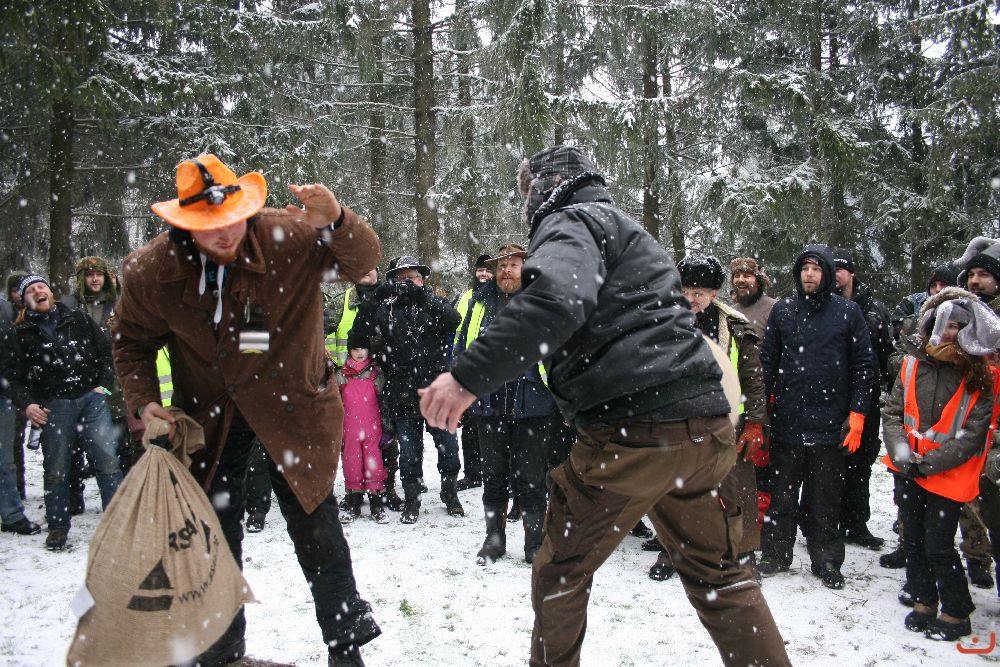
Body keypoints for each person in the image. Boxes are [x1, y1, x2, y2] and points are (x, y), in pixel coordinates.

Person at [419, 145, 789, 667]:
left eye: (528, 192)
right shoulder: (634, 235)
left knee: (561, 572)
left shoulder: (569, 222)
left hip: (631, 433)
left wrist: (466, 378)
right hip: (702, 428)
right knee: (720, 576)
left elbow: (555, 301)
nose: (526, 205)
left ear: (545, 188)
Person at [112, 154, 381, 666]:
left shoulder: (288, 236)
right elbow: (130, 341)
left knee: (317, 526)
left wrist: (338, 219)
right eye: (208, 224)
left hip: (294, 406)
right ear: (184, 223)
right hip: (210, 414)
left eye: (233, 218)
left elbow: (362, 261)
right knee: (213, 531)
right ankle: (221, 647)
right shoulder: (152, 272)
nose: (224, 232)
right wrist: (146, 402)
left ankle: (345, 645)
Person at [883, 288, 1000, 641]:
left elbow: (972, 434)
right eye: (943, 324)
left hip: (947, 475)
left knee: (938, 543)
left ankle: (956, 610)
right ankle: (924, 601)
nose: (948, 332)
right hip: (908, 469)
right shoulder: (911, 364)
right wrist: (904, 456)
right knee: (914, 540)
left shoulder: (980, 375)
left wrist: (927, 464)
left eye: (956, 326)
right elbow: (893, 413)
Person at [758, 244, 874, 589]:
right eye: (804, 269)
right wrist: (760, 413)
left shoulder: (847, 312)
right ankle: (775, 554)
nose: (809, 274)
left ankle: (826, 560)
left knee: (825, 500)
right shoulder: (783, 310)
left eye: (816, 269)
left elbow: (863, 366)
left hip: (830, 424)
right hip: (788, 422)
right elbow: (766, 364)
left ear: (827, 274)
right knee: (781, 497)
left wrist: (857, 413)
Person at [646, 255, 765, 581]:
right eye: (685, 291)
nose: (691, 298)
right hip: (677, 423)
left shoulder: (736, 326)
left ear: (714, 293)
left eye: (699, 292)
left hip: (727, 423)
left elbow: (753, 379)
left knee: (735, 491)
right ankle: (672, 551)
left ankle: (742, 554)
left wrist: (755, 423)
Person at [454, 243, 554, 565]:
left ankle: (535, 543)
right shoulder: (479, 304)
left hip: (534, 406)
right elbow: (462, 349)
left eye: (513, 265)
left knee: (531, 479)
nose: (506, 271)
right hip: (490, 406)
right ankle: (494, 539)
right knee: (494, 476)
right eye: (502, 266)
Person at [7, 274, 123, 551]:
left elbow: (105, 351)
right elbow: (12, 377)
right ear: (23, 300)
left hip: (91, 399)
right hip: (54, 405)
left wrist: (104, 386)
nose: (38, 291)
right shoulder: (20, 333)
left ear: (50, 292)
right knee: (57, 468)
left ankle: (119, 523)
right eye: (31, 290)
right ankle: (58, 527)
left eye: (42, 287)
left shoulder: (77, 318)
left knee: (108, 462)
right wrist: (28, 404)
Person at [351, 255, 464, 524]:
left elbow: (454, 320)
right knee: (410, 451)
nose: (407, 283)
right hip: (402, 390)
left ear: (422, 280)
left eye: (412, 278)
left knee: (448, 447)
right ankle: (412, 499)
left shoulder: (434, 304)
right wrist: (378, 296)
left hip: (436, 389)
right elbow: (359, 333)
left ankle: (450, 493)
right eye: (401, 279)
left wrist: (422, 297)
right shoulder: (386, 310)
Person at [832, 248, 894, 550]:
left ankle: (856, 523)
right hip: (831, 395)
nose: (835, 274)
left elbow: (885, 353)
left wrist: (889, 388)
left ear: (851, 273)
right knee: (829, 464)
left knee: (861, 462)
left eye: (840, 269)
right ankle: (826, 522)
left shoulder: (874, 309)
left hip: (866, 395)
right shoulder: (822, 305)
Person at [336, 333, 388, 524]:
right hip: (349, 429)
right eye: (355, 349)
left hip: (372, 428)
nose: (359, 353)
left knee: (374, 463)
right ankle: (354, 503)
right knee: (352, 463)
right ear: (349, 351)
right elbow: (335, 402)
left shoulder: (376, 372)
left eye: (363, 349)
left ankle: (376, 504)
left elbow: (383, 400)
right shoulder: (342, 374)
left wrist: (387, 426)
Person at [453, 253, 494, 492]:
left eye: (488, 270)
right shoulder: (467, 297)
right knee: (469, 426)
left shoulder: (500, 297)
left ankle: (497, 473)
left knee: (494, 426)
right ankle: (472, 473)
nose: (484, 274)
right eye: (480, 270)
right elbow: (459, 334)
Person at [0, 318, 40, 536]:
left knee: (5, 461)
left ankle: (12, 514)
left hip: (3, 395)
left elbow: (12, 361)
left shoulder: (3, 318)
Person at [892, 263, 959, 339]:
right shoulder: (913, 302)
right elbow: (895, 329)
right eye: (933, 285)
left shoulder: (967, 306)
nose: (937, 289)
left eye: (943, 284)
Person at [730, 257, 777, 339]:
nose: (740, 280)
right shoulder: (729, 312)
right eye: (737, 276)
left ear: (758, 282)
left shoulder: (775, 308)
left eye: (747, 276)